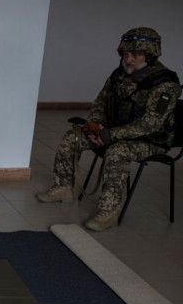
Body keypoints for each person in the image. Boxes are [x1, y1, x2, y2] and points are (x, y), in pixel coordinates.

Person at [37, 28, 181, 231]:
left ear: (149, 55)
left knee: (117, 152)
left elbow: (151, 123)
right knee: (73, 138)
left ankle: (109, 211)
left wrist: (110, 135)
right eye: (126, 54)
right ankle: (63, 188)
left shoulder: (165, 84)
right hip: (111, 133)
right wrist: (95, 127)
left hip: (150, 141)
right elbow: (100, 102)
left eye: (136, 55)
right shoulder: (119, 75)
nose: (129, 60)